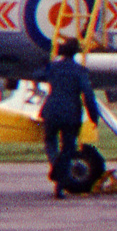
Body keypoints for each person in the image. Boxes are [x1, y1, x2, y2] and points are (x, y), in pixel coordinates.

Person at [40, 39, 100, 198]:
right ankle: (59, 180)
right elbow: (88, 95)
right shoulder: (80, 71)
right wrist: (94, 116)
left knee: (50, 142)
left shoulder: (53, 68)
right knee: (68, 149)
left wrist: (45, 64)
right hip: (70, 114)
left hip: (51, 111)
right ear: (76, 53)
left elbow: (38, 74)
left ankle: (55, 166)